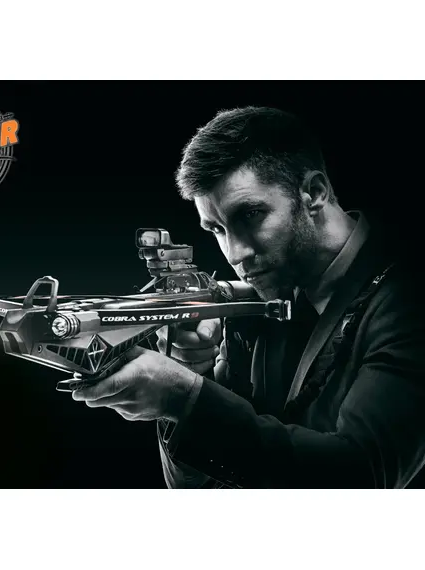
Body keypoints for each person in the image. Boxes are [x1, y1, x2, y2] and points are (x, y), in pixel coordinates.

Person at [72, 106, 425, 488]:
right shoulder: (258, 303)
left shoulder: (407, 300)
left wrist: (186, 398)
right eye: (217, 229)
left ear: (314, 193)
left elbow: (361, 478)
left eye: (250, 215)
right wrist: (194, 378)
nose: (235, 253)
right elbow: (204, 491)